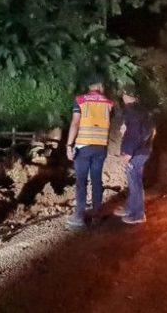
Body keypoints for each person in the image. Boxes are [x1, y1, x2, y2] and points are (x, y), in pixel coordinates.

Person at [65, 75, 114, 228]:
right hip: (100, 147)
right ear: (99, 86)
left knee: (81, 181)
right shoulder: (109, 103)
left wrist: (69, 145)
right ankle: (97, 215)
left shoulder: (80, 100)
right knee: (96, 180)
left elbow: (75, 123)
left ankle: (79, 217)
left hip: (83, 146)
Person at [115, 85, 154, 224]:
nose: (122, 96)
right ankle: (131, 208)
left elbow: (133, 134)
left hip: (136, 152)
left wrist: (128, 153)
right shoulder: (142, 111)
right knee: (134, 181)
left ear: (127, 96)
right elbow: (149, 131)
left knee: (134, 182)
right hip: (143, 150)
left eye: (124, 94)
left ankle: (137, 214)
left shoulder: (131, 111)